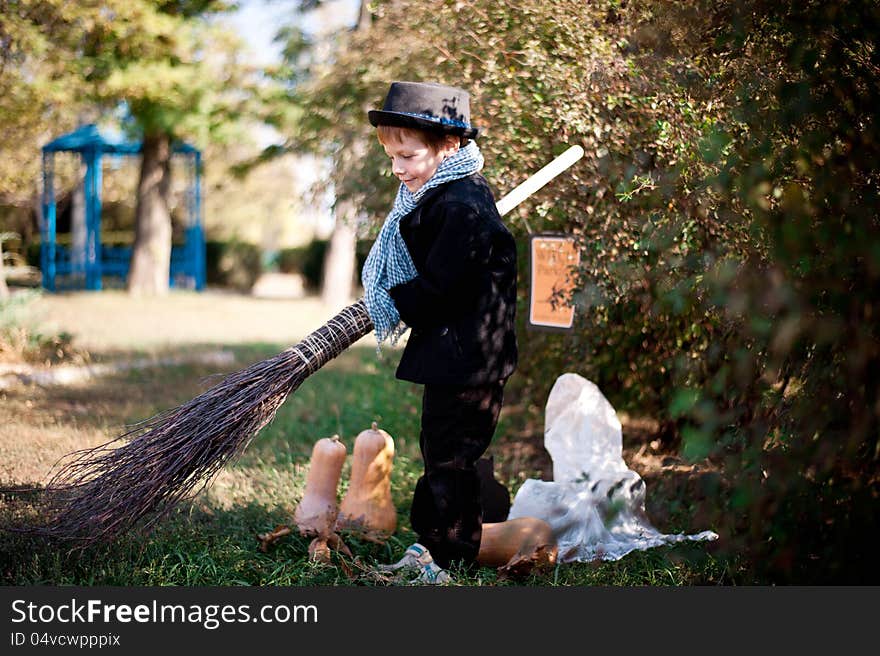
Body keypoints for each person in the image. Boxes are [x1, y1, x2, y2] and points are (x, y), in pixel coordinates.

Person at [360, 81, 518, 584]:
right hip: (452, 353)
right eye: (392, 157)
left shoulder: (462, 205)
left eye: (407, 155)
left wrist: (388, 301)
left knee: (451, 460)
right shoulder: (440, 195)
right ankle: (431, 549)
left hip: (470, 357)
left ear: (447, 145)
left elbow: (441, 288)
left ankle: (448, 559)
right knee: (439, 452)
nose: (397, 169)